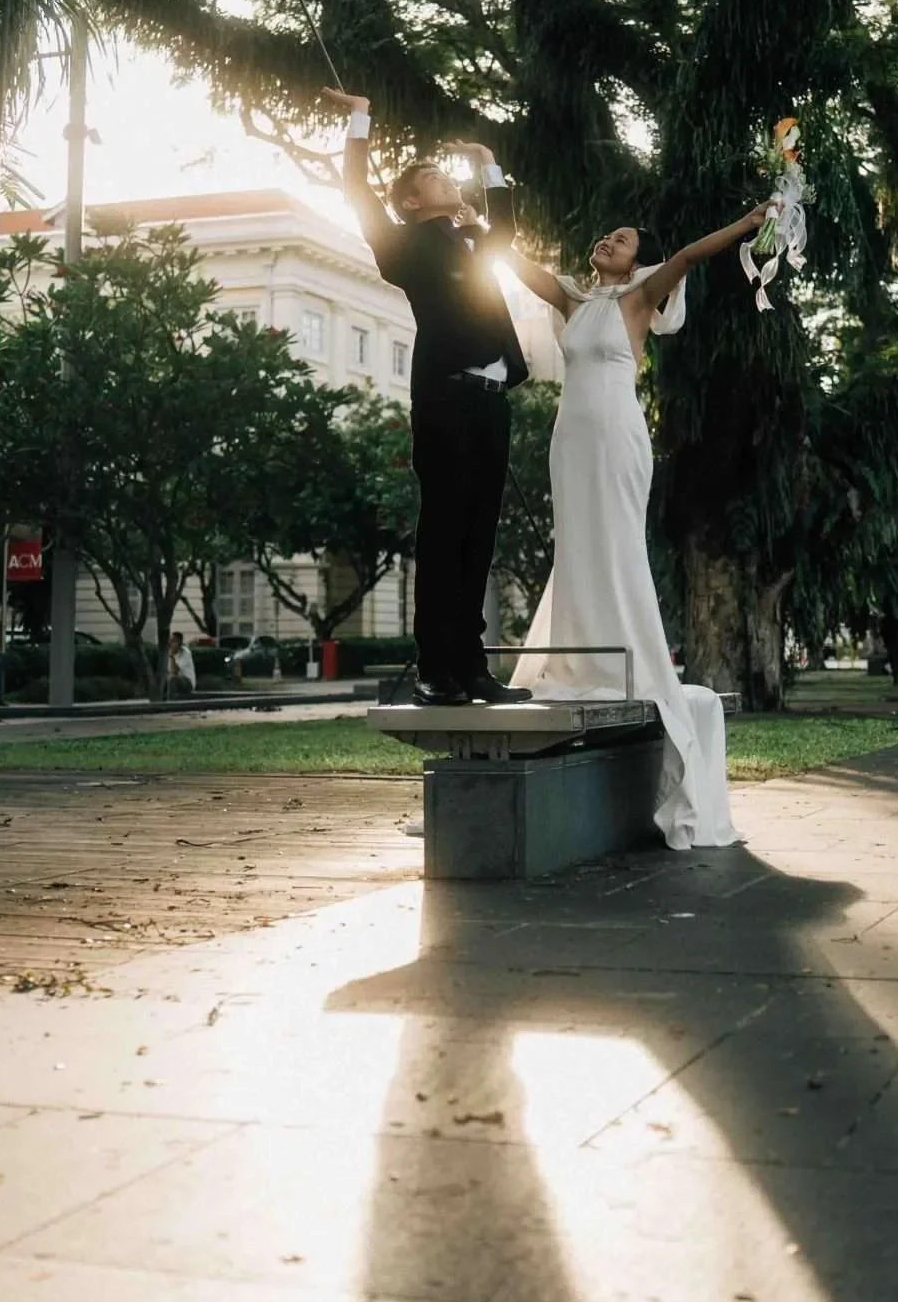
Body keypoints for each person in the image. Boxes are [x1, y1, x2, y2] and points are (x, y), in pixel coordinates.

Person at [503, 203, 767, 851]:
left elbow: (688, 257)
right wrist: (477, 202)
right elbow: (510, 260)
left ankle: (629, 656)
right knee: (576, 548)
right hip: (569, 439)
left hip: (618, 437)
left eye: (621, 240)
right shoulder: (571, 300)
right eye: (604, 233)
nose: (606, 239)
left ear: (636, 260)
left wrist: (746, 223)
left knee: (616, 546)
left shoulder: (641, 296)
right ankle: (578, 653)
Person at [325, 90, 531, 706]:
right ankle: (435, 668)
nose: (447, 178)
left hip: (494, 402)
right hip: (446, 399)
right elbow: (358, 192)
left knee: (480, 536)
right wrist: (361, 115)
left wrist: (489, 162)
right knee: (444, 534)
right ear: (412, 202)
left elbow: (509, 231)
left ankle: (472, 668)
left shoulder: (476, 242)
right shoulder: (404, 247)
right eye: (433, 177)